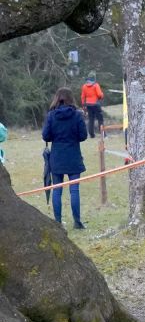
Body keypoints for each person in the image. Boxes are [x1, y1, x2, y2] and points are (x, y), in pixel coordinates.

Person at [42, 87, 88, 229]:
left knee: (57, 190)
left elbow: (45, 136)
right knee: (74, 190)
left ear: (57, 98)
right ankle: (77, 222)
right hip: (73, 155)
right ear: (71, 98)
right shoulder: (77, 115)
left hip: (57, 157)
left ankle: (58, 223)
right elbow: (83, 136)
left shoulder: (51, 115)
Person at [79, 71, 105, 138]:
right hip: (96, 104)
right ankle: (103, 134)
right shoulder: (96, 85)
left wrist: (83, 105)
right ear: (94, 78)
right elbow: (99, 95)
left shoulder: (84, 86)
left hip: (88, 104)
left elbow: (82, 96)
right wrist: (102, 95)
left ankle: (91, 134)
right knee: (100, 119)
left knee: (91, 119)